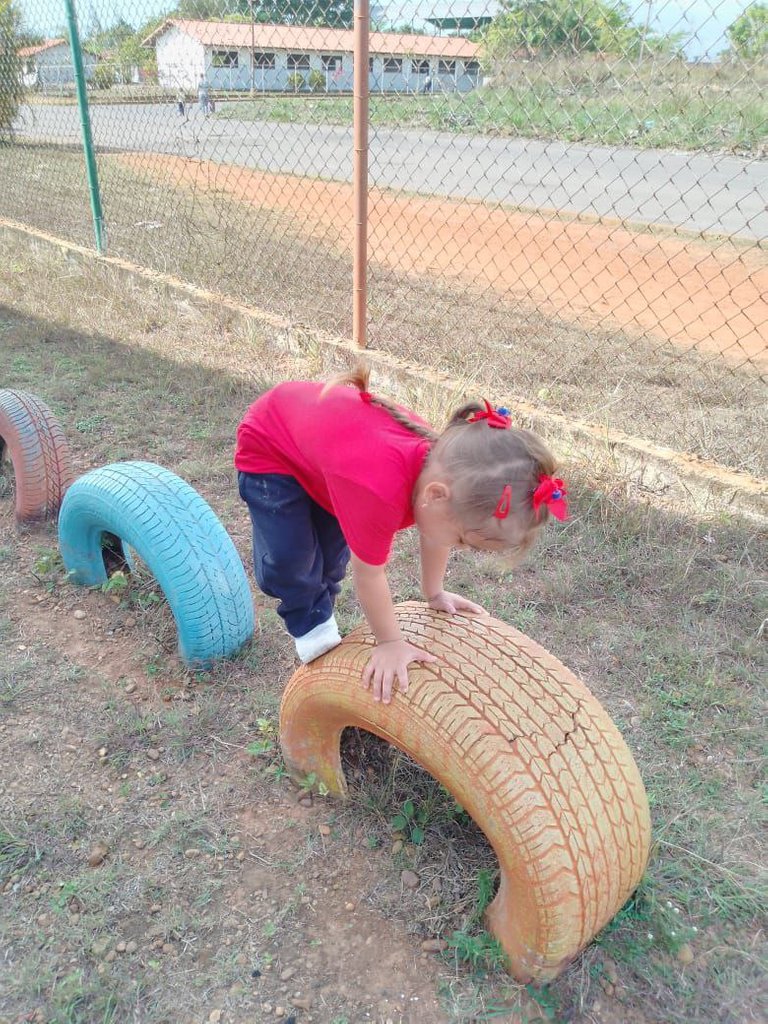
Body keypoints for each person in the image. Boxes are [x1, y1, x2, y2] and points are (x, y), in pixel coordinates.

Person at [235, 364, 568, 703]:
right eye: (462, 540)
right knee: (291, 559)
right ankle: (308, 619)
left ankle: (318, 599)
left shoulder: (443, 477)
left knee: (330, 558)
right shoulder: (379, 491)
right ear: (435, 496)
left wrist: (434, 592)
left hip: (329, 459)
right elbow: (370, 575)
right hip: (271, 444)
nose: (457, 547)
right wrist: (391, 643)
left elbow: (437, 534)